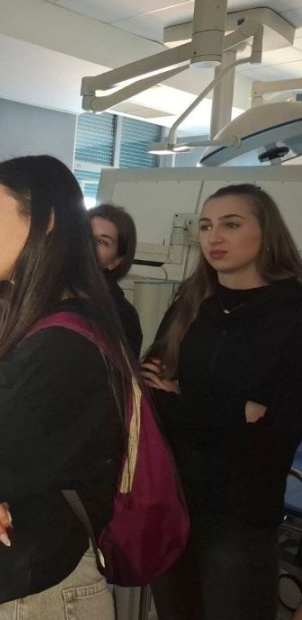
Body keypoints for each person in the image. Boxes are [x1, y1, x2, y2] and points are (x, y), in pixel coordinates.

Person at [0, 155, 130, 620]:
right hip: (5, 580)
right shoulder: (13, 316)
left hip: (38, 591)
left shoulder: (61, 345)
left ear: (46, 221)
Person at [141, 183, 302, 620]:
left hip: (241, 515)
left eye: (231, 225)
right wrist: (236, 412)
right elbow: (150, 393)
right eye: (206, 226)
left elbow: (275, 434)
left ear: (266, 233)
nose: (213, 237)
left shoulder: (292, 313)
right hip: (173, 501)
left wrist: (182, 403)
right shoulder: (192, 303)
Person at [88, 203, 143, 357]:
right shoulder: (47, 289)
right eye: (86, 234)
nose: (89, 245)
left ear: (115, 261)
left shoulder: (122, 315)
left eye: (102, 242)